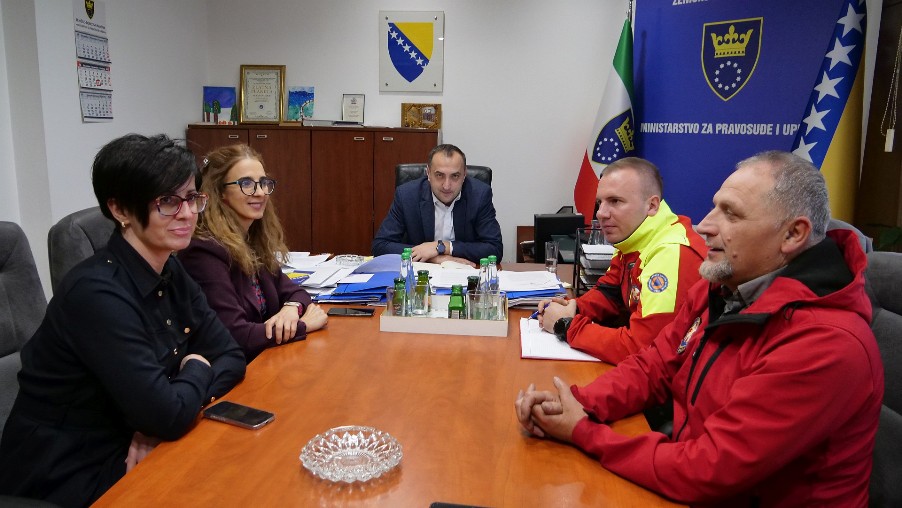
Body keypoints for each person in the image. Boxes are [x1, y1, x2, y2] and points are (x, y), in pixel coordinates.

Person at [515, 151, 884, 506]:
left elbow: (709, 470)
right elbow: (654, 366)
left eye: (731, 214)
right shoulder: (723, 287)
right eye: (715, 207)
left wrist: (583, 431)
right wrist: (577, 402)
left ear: (792, 235)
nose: (704, 226)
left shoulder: (826, 343)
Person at [0, 134, 246, 506]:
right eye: (168, 201)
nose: (187, 213)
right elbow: (167, 413)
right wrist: (196, 366)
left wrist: (170, 410)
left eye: (192, 197)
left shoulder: (170, 270)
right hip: (67, 473)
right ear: (120, 210)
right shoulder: (95, 294)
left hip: (139, 442)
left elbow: (231, 355)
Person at [537, 157, 706, 364]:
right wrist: (574, 307)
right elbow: (610, 293)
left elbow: (645, 350)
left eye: (615, 201)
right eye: (600, 203)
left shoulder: (670, 252)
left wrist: (566, 326)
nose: (601, 213)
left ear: (652, 205)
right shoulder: (634, 237)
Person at [179, 144, 327, 363]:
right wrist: (303, 325)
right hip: (232, 370)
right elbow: (235, 335)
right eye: (246, 184)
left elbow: (295, 292)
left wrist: (291, 309)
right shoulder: (204, 252)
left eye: (263, 183)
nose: (260, 192)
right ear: (220, 192)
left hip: (266, 360)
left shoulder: (251, 241)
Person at [372, 144, 503, 266]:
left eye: (455, 176)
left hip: (465, 273)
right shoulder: (407, 195)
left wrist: (443, 247)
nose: (446, 186)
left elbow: (494, 249)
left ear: (464, 175)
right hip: (421, 275)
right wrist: (435, 258)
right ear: (428, 173)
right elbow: (380, 246)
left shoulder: (479, 195)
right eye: (439, 175)